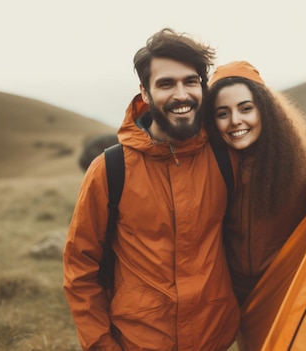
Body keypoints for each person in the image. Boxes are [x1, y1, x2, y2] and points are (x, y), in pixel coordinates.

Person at [62, 28, 240, 351]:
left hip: (217, 340)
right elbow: (79, 269)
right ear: (144, 92)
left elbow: (286, 162)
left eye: (190, 81)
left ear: (203, 86)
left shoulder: (225, 157)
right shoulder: (109, 170)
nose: (181, 94)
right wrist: (102, 344)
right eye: (166, 84)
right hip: (137, 343)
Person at [205, 61, 306, 305]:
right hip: (237, 301)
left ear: (266, 111)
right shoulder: (212, 164)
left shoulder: (292, 161)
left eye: (246, 109)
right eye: (223, 113)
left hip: (289, 292)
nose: (235, 120)